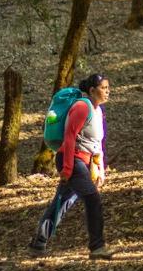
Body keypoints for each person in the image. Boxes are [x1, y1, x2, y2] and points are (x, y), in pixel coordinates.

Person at [30, 72, 111, 258]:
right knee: (92, 199)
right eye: (103, 88)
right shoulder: (82, 107)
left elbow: (97, 144)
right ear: (92, 90)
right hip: (71, 159)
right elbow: (69, 137)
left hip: (84, 161)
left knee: (62, 201)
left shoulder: (98, 111)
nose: (107, 92)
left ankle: (38, 243)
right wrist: (67, 169)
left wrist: (100, 168)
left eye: (108, 88)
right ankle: (97, 247)